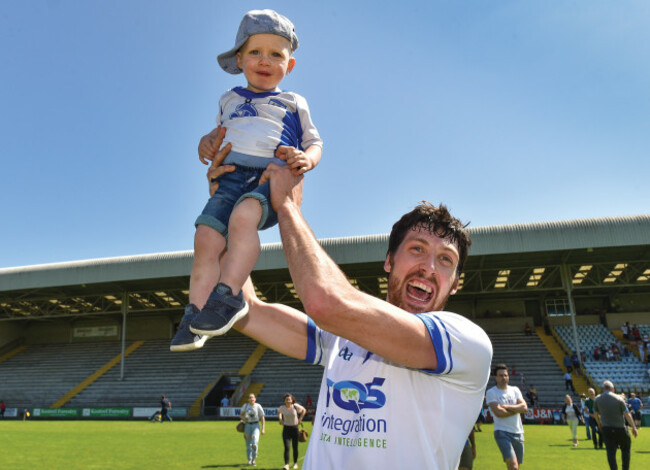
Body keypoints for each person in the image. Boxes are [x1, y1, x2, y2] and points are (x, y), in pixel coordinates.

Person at [204, 137, 493, 468]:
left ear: (455, 285)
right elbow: (246, 311)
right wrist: (227, 208)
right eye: (416, 249)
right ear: (389, 262)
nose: (428, 267)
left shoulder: (465, 343)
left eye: (445, 260)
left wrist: (286, 205)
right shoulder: (342, 334)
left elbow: (327, 302)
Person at [170, 9, 323, 352]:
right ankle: (195, 315)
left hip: (268, 176)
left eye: (276, 54)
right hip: (230, 177)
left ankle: (230, 295)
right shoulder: (229, 98)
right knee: (206, 237)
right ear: (239, 59)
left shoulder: (293, 102)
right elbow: (219, 134)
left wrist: (307, 160)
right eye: (255, 52)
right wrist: (205, 143)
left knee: (243, 219)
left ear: (290, 65)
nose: (264, 60)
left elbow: (315, 142)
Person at [486, 364, 528, 470]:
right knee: (513, 465)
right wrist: (516, 409)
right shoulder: (491, 392)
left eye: (505, 375)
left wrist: (506, 406)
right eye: (500, 375)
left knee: (517, 466)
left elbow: (524, 407)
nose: (503, 378)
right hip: (502, 432)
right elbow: (499, 413)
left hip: (518, 432)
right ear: (495, 377)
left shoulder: (515, 390)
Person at [593, 381, 638, 470]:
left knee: (610, 452)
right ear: (613, 389)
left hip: (606, 428)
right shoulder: (619, 399)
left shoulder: (597, 399)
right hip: (620, 428)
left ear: (603, 389)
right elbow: (627, 414)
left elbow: (595, 414)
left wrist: (599, 424)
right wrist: (634, 427)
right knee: (625, 449)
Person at [278, 393, 306, 470]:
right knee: (287, 447)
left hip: (295, 429)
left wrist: (300, 419)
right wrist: (280, 419)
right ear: (284, 401)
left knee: (295, 447)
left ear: (292, 400)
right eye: (286, 399)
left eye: (289, 399)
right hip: (286, 429)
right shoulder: (282, 407)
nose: (288, 400)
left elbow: (304, 410)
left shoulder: (295, 406)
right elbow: (279, 412)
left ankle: (295, 463)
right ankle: (286, 465)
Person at [241, 393, 266, 466]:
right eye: (250, 397)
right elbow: (241, 415)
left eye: (253, 397)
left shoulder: (258, 406)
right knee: (248, 444)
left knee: (255, 442)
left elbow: (262, 417)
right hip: (247, 426)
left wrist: (263, 428)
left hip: (255, 425)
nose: (251, 399)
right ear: (248, 399)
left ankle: (254, 459)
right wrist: (243, 418)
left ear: (255, 399)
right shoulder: (245, 406)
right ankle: (249, 459)